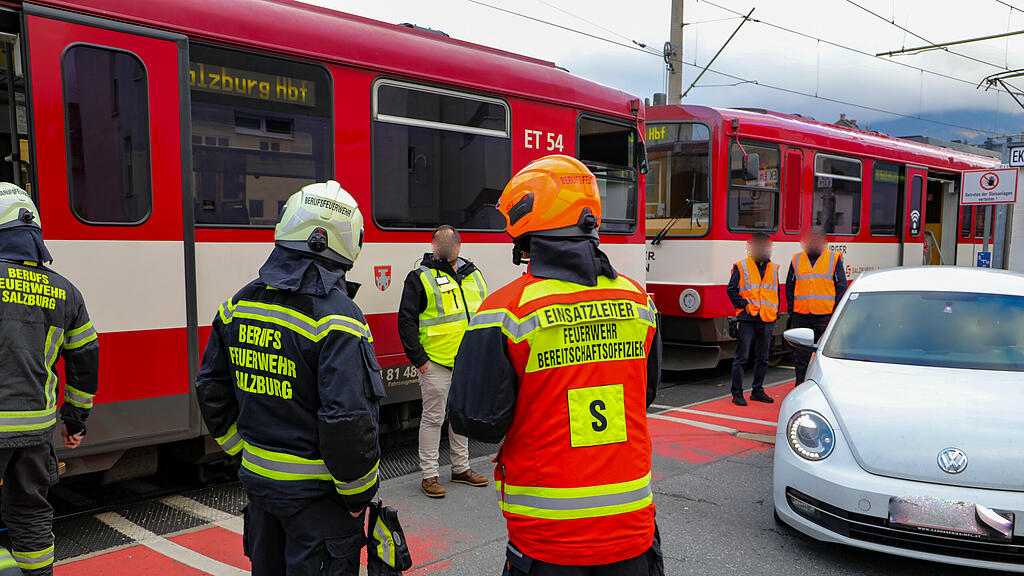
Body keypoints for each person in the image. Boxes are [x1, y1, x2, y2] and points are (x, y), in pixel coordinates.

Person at [448, 155, 665, 575]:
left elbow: (475, 419)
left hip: (547, 538)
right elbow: (645, 395)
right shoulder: (638, 301)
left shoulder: (506, 310)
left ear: (528, 225)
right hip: (632, 529)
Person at [196, 181, 383, 575]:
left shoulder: (238, 304)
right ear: (346, 242)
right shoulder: (340, 319)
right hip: (318, 499)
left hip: (260, 488)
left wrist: (241, 452)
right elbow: (347, 420)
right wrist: (358, 492)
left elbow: (212, 389)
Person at [0, 183, 98, 576]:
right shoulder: (65, 291)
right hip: (35, 432)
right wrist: (75, 421)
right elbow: (84, 361)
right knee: (31, 511)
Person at [397, 225, 489, 499]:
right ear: (434, 246)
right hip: (435, 362)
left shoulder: (474, 275)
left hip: (466, 363)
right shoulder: (419, 277)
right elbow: (406, 321)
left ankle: (461, 469)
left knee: (460, 416)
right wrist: (420, 360)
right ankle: (429, 475)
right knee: (434, 419)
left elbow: (483, 315)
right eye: (442, 242)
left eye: (451, 243)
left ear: (459, 246)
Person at [786, 226, 847, 385]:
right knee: (801, 358)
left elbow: (841, 287)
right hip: (801, 316)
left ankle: (824, 385)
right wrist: (792, 310)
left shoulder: (834, 258)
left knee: (825, 355)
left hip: (825, 316)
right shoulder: (796, 259)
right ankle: (800, 386)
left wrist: (835, 312)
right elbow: (790, 285)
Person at [726, 232, 779, 407]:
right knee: (742, 357)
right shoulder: (741, 266)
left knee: (763, 358)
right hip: (747, 318)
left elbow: (773, 293)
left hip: (767, 318)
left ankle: (757, 391)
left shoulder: (774, 268)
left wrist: (775, 313)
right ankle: (737, 393)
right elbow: (731, 290)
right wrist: (745, 305)